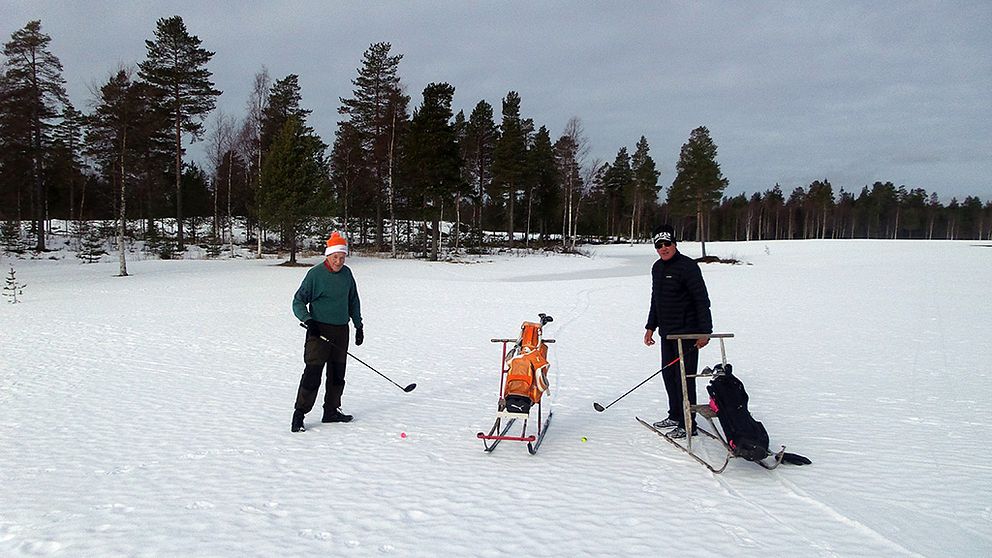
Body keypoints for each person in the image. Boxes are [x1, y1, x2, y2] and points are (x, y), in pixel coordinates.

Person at [643, 224, 713, 439]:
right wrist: (650, 326)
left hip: (688, 333)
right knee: (669, 375)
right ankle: (675, 415)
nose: (663, 248)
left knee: (684, 378)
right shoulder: (657, 267)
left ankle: (687, 422)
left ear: (674, 244)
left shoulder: (688, 267)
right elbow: (656, 300)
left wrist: (705, 331)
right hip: (668, 333)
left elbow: (701, 299)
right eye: (659, 245)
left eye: (667, 244)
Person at [291, 231, 364, 432]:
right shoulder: (315, 275)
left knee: (337, 374)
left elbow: (353, 300)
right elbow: (297, 302)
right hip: (318, 330)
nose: (339, 262)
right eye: (335, 257)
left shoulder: (347, 274)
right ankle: (299, 414)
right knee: (313, 373)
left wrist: (358, 325)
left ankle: (331, 411)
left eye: (342, 257)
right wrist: (308, 320)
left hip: (341, 330)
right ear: (327, 256)